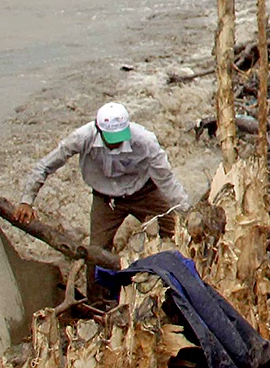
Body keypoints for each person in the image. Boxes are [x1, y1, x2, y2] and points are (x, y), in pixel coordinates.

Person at [21, 101, 183, 256]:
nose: (117, 143)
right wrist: (26, 201)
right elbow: (45, 166)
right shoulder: (82, 138)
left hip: (144, 193)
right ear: (98, 130)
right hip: (106, 200)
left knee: (176, 234)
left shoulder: (144, 140)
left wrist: (185, 209)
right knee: (96, 253)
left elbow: (166, 178)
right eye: (112, 138)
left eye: (121, 137)